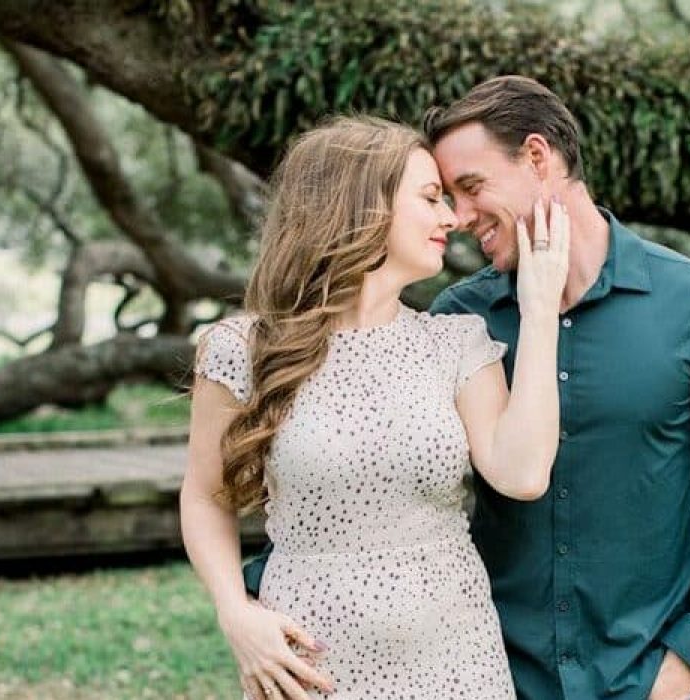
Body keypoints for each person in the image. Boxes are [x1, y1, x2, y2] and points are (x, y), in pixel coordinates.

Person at [247, 76, 690, 700]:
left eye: (471, 189)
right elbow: (363, 462)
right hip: (483, 669)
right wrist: (262, 593)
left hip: (642, 676)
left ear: (537, 157)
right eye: (444, 197)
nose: (458, 218)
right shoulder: (458, 321)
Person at [180, 115, 570, 700]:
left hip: (457, 661)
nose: (450, 219)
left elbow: (522, 474)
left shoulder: (455, 343)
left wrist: (539, 313)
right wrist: (235, 611)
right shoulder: (241, 349)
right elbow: (204, 495)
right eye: (431, 197)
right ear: (362, 205)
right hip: (312, 665)